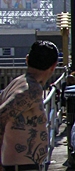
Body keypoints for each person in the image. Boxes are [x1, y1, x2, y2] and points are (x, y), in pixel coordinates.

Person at [0, 41, 58, 171]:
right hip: (20, 166)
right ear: (54, 66)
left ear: (27, 60)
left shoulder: (16, 83)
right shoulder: (31, 90)